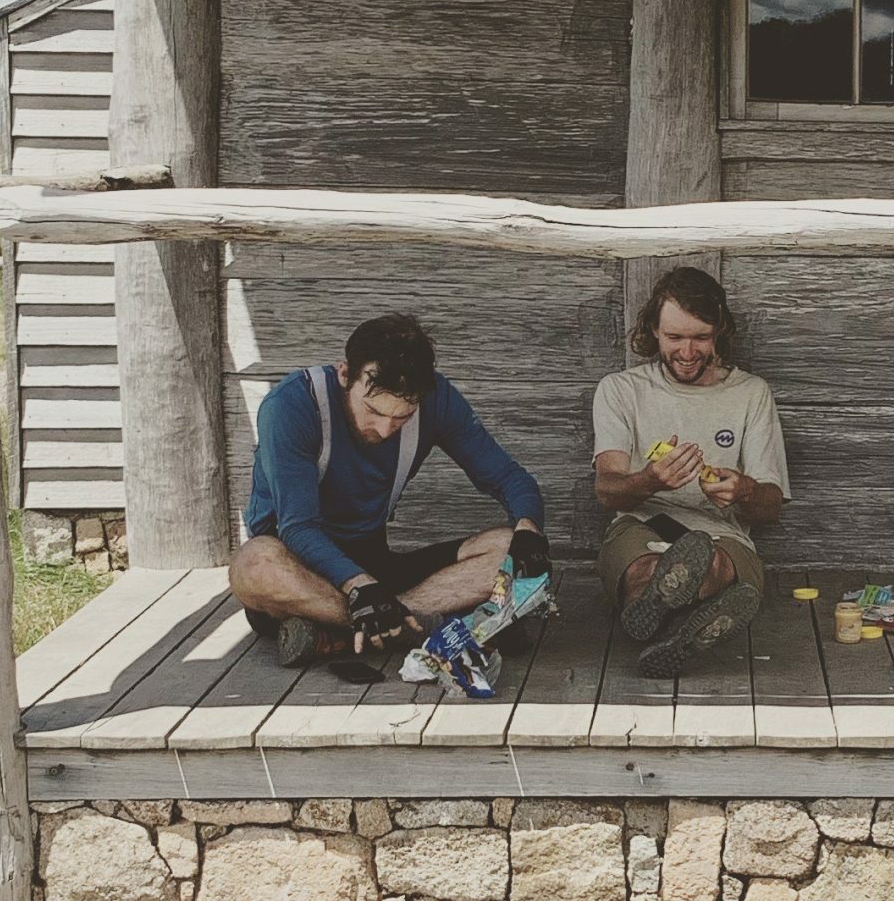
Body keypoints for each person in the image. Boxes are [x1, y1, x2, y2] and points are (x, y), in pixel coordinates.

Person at [231, 312, 550, 667]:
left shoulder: (437, 398)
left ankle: (349, 630)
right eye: (372, 411)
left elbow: (508, 476)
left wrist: (529, 529)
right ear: (344, 374)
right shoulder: (291, 406)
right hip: (298, 564)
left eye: (402, 416)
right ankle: (422, 626)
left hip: (374, 563)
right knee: (253, 564)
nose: (385, 429)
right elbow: (299, 527)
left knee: (508, 548)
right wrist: (358, 586)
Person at [592, 266, 787, 677]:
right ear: (653, 333)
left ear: (720, 333)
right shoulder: (621, 390)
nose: (687, 351)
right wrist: (650, 480)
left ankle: (669, 618)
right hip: (641, 522)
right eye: (674, 337)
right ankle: (684, 621)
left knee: (712, 561)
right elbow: (608, 490)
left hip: (723, 532)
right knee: (646, 572)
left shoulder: (751, 394)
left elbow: (771, 507)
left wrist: (745, 491)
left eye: (701, 337)